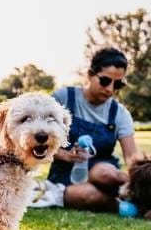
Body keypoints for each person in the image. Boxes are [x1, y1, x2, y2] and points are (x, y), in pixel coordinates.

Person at [47, 47, 140, 212]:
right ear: (90, 75)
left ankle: (144, 194)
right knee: (90, 196)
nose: (110, 89)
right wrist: (65, 155)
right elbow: (37, 141)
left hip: (103, 172)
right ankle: (121, 204)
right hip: (66, 175)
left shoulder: (120, 113)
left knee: (105, 173)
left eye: (118, 84)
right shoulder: (63, 98)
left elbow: (132, 159)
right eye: (105, 81)